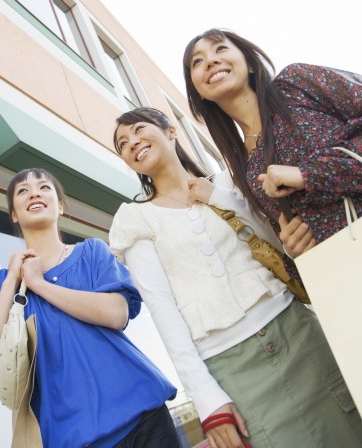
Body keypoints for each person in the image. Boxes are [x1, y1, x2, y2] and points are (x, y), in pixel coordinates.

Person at [109, 107, 362, 448]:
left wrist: (219, 198)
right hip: (231, 367)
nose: (132, 143)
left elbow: (275, 242)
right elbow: (163, 311)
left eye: (139, 130)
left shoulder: (227, 183)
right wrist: (207, 400)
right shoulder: (135, 220)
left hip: (298, 333)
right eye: (123, 144)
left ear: (170, 132)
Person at [0, 168, 180, 448]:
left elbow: (116, 313)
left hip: (142, 420)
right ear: (14, 214)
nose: (34, 193)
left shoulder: (91, 252)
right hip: (71, 440)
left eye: (44, 187)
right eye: (23, 191)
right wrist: (12, 281)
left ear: (60, 206)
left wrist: (39, 284)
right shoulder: (1, 284)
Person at [183, 28, 362, 262]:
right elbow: (286, 244)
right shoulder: (245, 170)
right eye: (198, 61)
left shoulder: (295, 84)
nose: (211, 61)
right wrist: (292, 247)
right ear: (199, 91)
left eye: (221, 48)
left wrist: (308, 174)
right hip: (345, 270)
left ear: (248, 63)